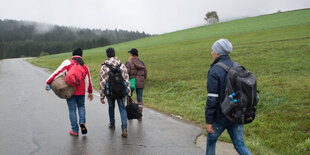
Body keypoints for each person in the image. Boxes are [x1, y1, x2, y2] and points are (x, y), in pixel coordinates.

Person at [205, 39, 251, 155]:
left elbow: (212, 98)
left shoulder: (214, 70)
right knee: (240, 145)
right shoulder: (237, 66)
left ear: (218, 52)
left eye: (213, 50)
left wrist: (209, 121)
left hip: (221, 115)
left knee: (211, 140)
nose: (212, 52)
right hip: (237, 113)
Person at [45, 48, 93, 136]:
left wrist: (48, 82)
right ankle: (82, 122)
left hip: (70, 90)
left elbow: (57, 73)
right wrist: (90, 92)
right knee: (81, 107)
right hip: (81, 91)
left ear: (73, 54)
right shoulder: (85, 66)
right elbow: (89, 80)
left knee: (72, 110)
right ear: (81, 55)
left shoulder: (68, 62)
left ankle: (75, 130)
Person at [99, 47, 131, 137]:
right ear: (114, 53)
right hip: (121, 91)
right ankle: (124, 128)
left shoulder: (104, 66)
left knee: (111, 107)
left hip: (110, 92)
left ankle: (112, 124)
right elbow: (126, 79)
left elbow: (102, 82)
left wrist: (102, 96)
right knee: (122, 109)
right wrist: (128, 92)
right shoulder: (121, 65)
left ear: (107, 54)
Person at [125, 48, 147, 121]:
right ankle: (139, 116)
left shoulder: (129, 62)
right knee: (139, 98)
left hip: (132, 83)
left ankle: (130, 115)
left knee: (129, 97)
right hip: (140, 83)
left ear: (132, 54)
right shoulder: (142, 62)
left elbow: (126, 73)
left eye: (130, 53)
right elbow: (145, 73)